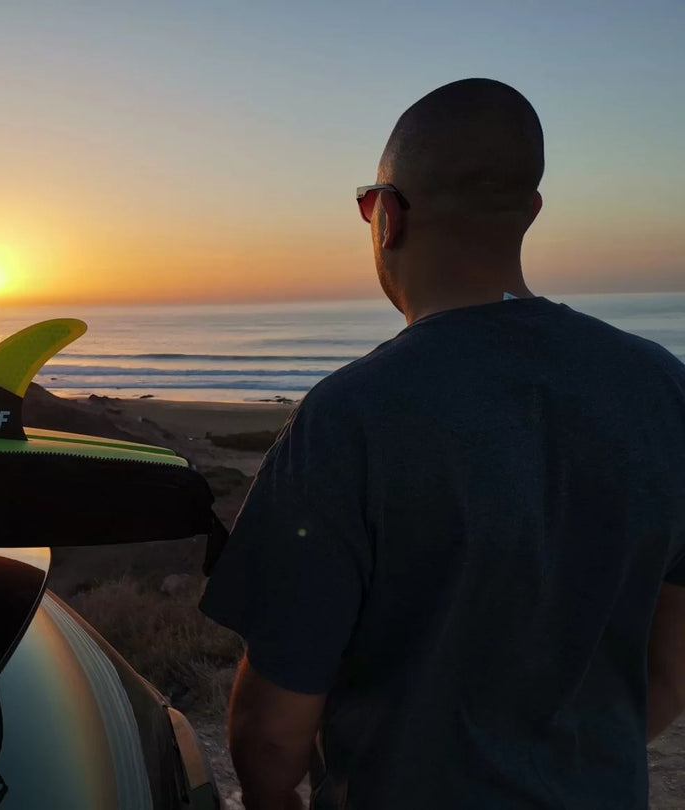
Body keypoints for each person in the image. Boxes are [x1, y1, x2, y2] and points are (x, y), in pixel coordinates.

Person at [199, 78, 685, 810]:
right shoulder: (665, 390)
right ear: (530, 211)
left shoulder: (350, 417)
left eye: (369, 203)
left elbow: (270, 737)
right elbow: (674, 672)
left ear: (387, 216)